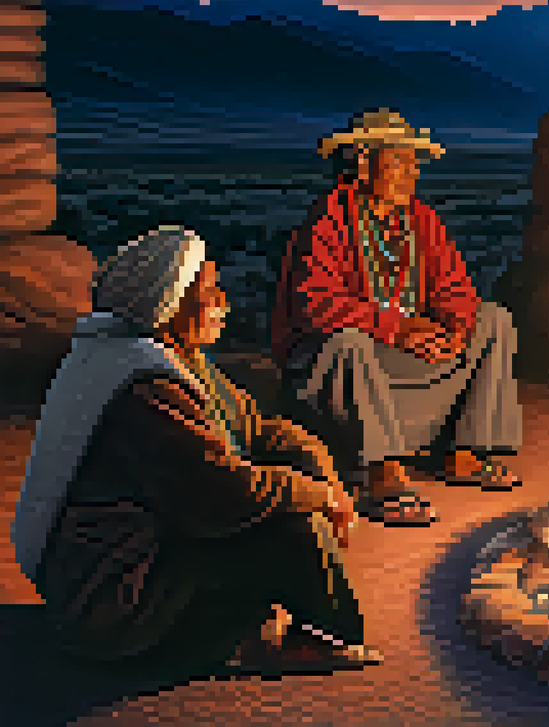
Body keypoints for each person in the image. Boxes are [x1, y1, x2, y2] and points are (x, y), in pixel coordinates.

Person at [10, 227, 380, 674]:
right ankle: (330, 636)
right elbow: (227, 495)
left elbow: (260, 431)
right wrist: (322, 495)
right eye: (210, 292)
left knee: (293, 492)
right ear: (168, 303)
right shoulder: (145, 386)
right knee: (294, 526)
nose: (224, 304)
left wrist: (321, 470)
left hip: (145, 564)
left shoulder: (173, 359)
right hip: (117, 599)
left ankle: (270, 633)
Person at [273, 109, 523, 527]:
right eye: (399, 161)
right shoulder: (327, 221)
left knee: (493, 320)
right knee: (348, 342)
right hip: (339, 371)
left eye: (413, 162)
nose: (412, 172)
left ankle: (464, 452)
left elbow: (455, 289)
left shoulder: (421, 220)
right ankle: (381, 473)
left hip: (400, 356)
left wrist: (454, 330)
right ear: (363, 164)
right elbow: (316, 305)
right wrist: (399, 327)